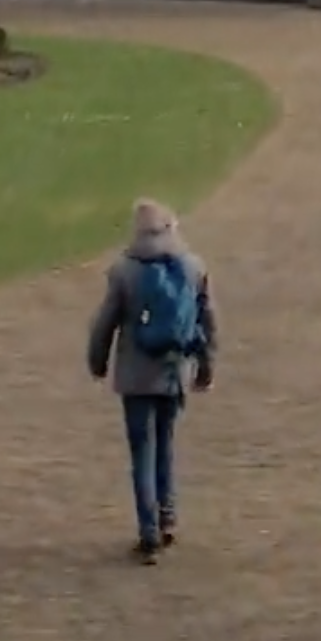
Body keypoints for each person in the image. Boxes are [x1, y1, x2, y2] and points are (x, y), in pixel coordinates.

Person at [86, 197, 217, 562]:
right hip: (174, 372)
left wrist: (97, 362)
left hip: (135, 376)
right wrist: (206, 367)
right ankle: (168, 517)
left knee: (142, 451)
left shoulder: (124, 271)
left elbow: (104, 324)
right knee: (166, 444)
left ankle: (148, 532)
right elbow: (207, 323)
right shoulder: (192, 268)